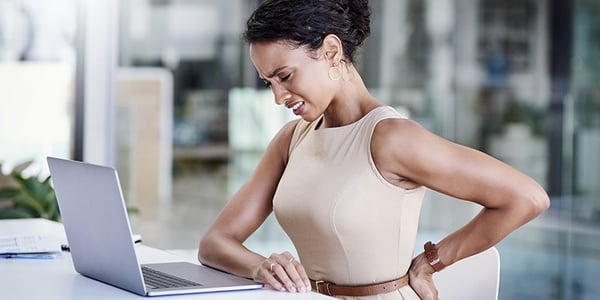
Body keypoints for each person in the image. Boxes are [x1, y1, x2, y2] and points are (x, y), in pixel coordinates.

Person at [198, 0, 550, 299]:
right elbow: (215, 242)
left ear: (331, 51)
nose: (277, 97)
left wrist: (433, 260)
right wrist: (261, 266)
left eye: (285, 77)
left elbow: (526, 198)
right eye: (268, 83)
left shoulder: (390, 138)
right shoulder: (292, 139)